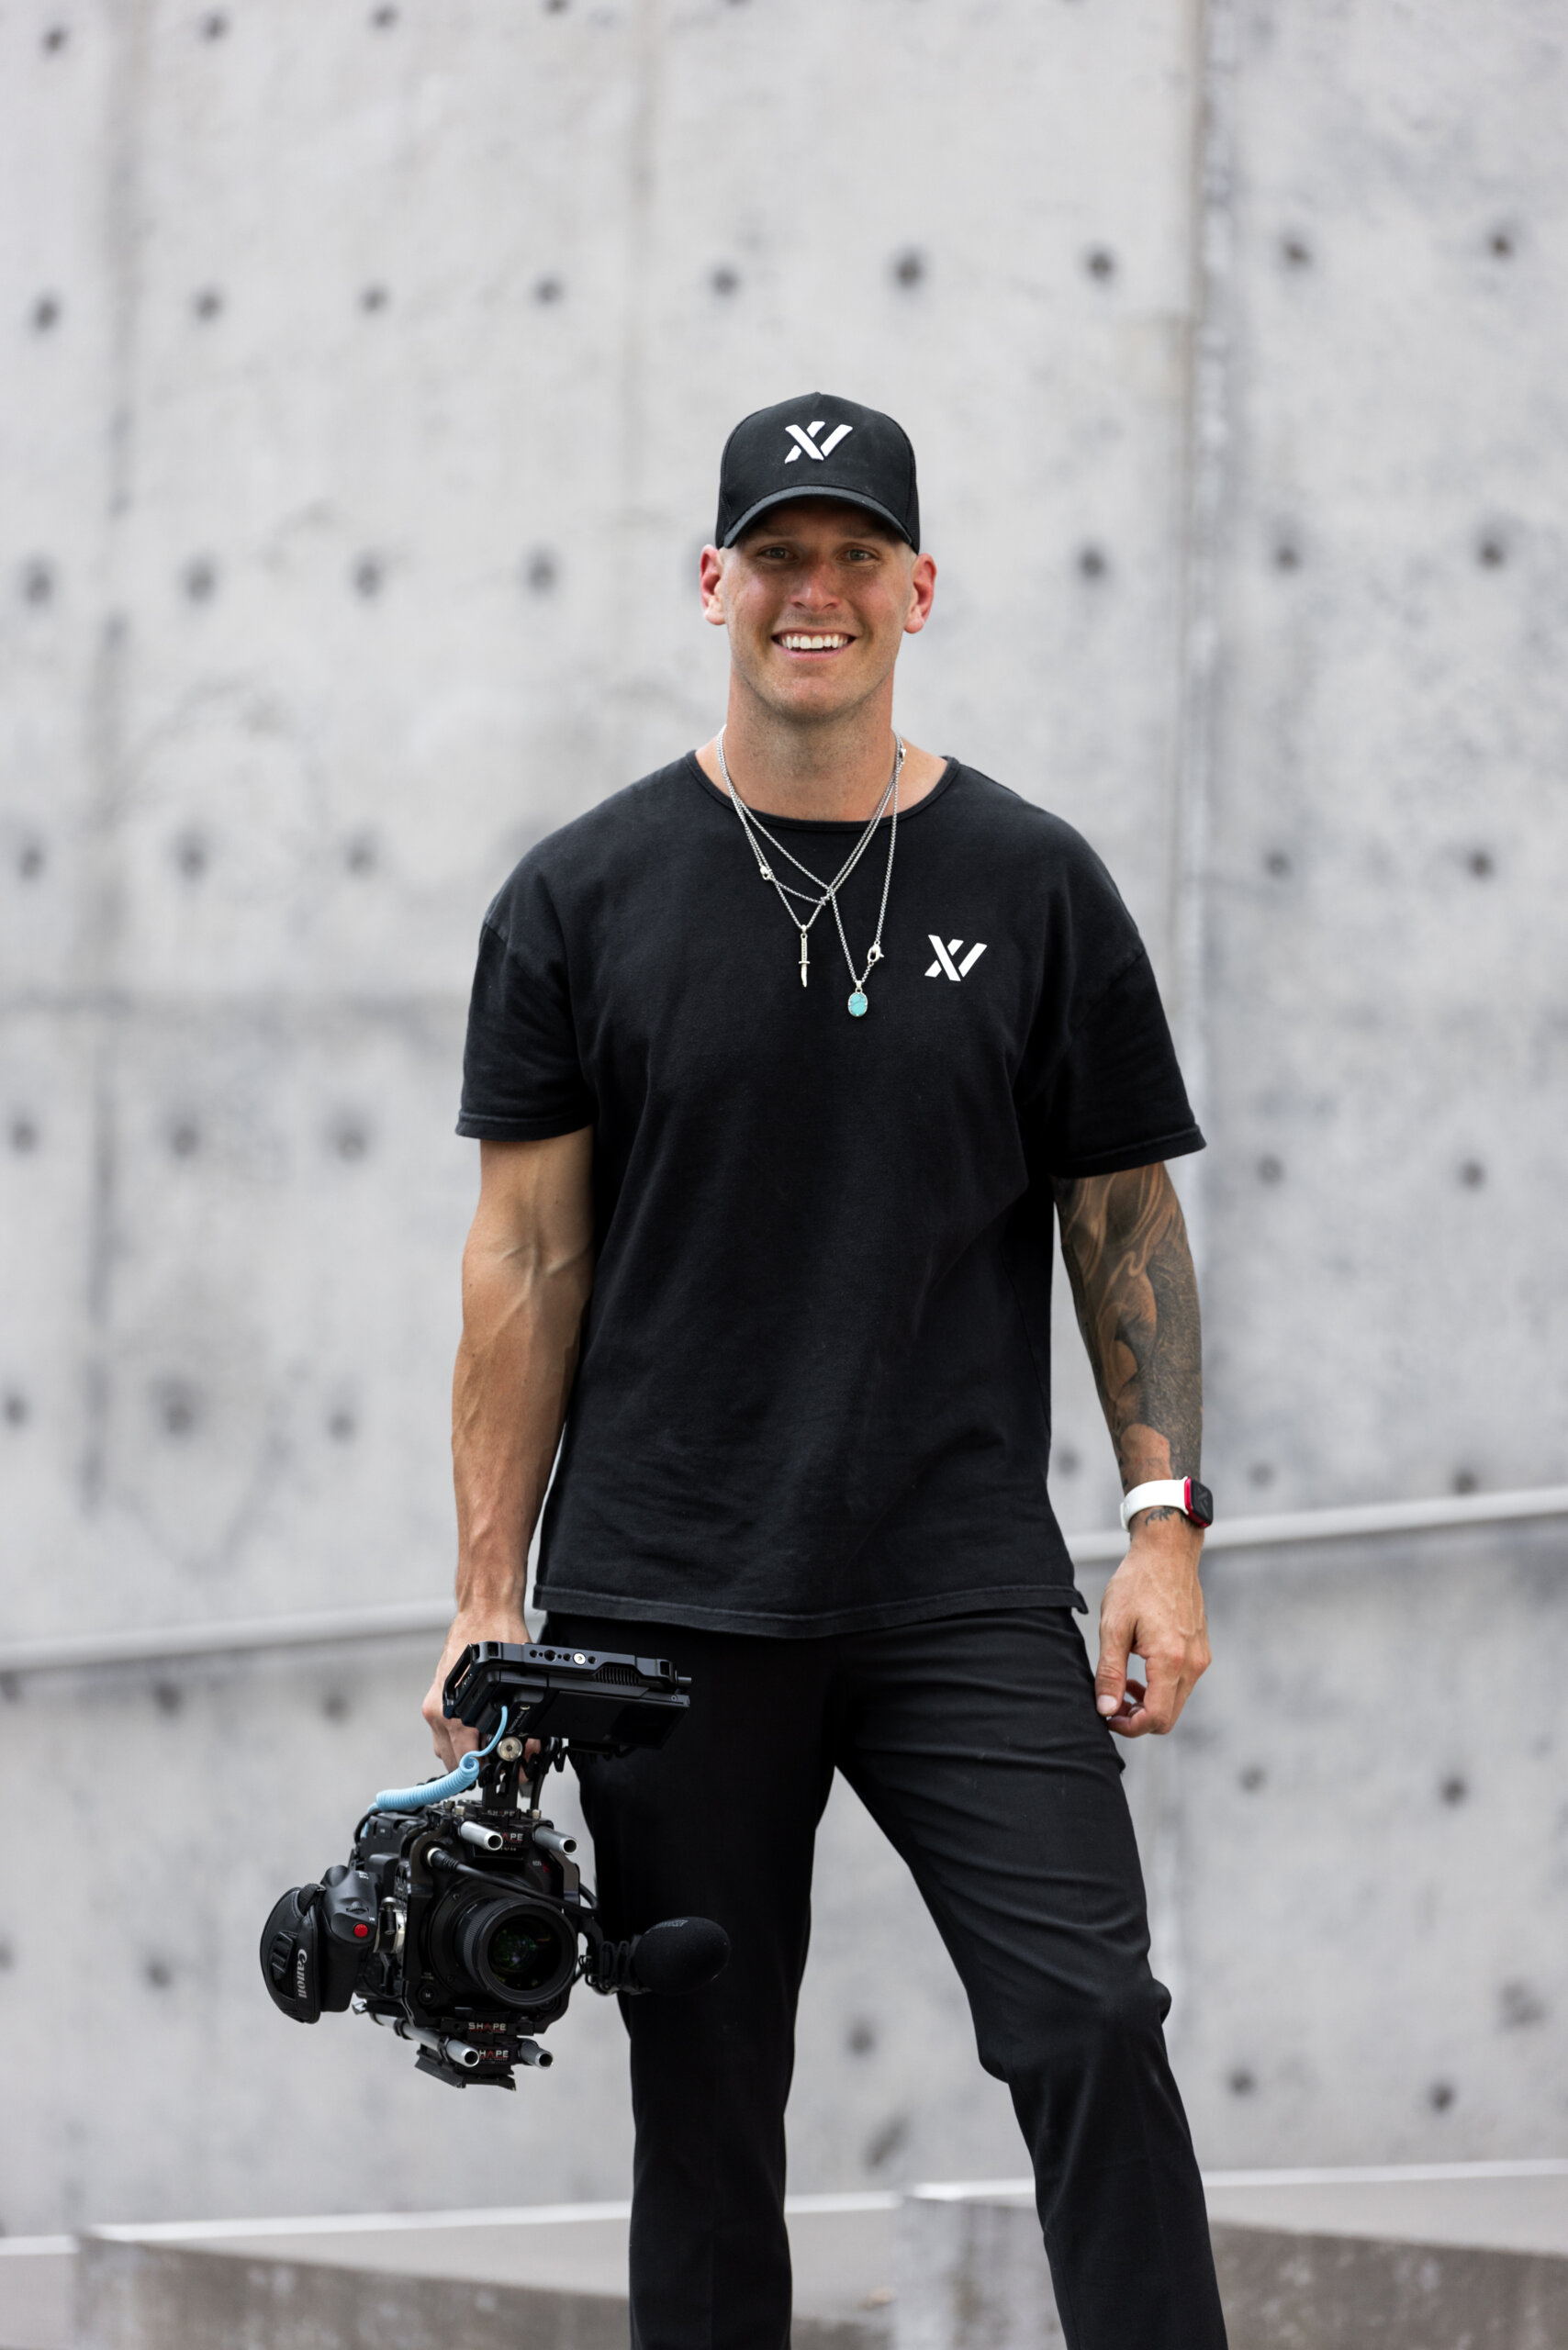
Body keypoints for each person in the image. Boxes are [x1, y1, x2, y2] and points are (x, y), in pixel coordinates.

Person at [423, 393, 1227, 2350]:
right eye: (777, 554)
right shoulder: (580, 895)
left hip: (957, 1580)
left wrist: (1161, 1528)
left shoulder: (1032, 880)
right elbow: (524, 1259)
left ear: (916, 589)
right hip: (665, 1597)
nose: (816, 591)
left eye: (855, 555)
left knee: (1090, 2019)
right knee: (705, 2109)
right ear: (711, 581)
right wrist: (485, 1589)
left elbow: (1120, 1218)